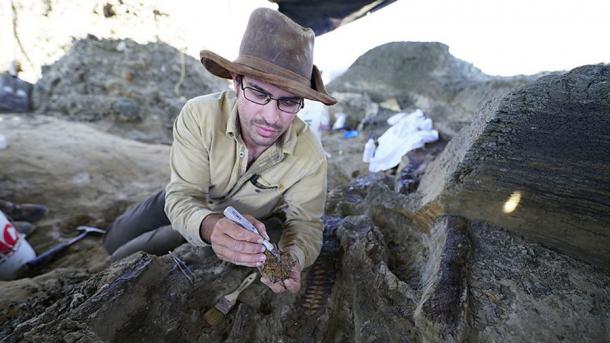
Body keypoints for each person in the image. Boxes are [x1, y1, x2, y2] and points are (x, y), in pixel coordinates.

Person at [103, 8, 336, 294]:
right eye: (259, 93)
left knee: (119, 260)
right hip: (187, 196)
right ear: (236, 83)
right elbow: (182, 196)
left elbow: (306, 224)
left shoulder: (309, 155)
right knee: (114, 239)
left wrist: (292, 259)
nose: (272, 117)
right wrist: (210, 225)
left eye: (288, 102)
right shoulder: (199, 115)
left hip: (238, 225)